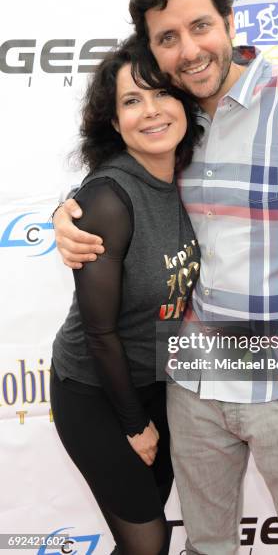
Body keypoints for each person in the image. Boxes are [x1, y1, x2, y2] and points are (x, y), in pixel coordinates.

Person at [53, 0, 278, 555]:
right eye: (168, 38)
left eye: (201, 26)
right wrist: (67, 213)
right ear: (154, 50)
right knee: (205, 547)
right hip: (193, 387)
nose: (189, 50)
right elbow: (120, 182)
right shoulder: (173, 118)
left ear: (229, 21)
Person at [50, 32, 201, 555]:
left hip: (159, 379)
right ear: (115, 123)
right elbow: (100, 329)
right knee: (148, 541)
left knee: (147, 529)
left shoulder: (193, 177)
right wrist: (135, 425)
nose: (152, 111)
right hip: (94, 389)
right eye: (132, 100)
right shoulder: (109, 198)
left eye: (162, 92)